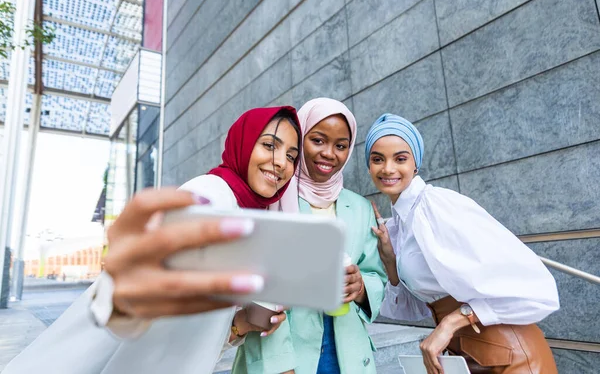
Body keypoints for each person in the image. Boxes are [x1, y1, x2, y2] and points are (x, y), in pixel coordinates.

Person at [4, 106, 302, 374]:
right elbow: (146, 297)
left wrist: (242, 324)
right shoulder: (212, 194)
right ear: (244, 143)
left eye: (290, 156)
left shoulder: (245, 213)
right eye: (269, 146)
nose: (281, 163)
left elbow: (191, 329)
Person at [366, 113, 560, 374]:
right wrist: (390, 262)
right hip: (467, 358)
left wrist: (451, 323)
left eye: (400, 158)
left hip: (512, 357)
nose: (388, 168)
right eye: (378, 159)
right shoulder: (399, 225)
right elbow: (413, 309)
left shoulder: (437, 207)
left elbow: (538, 292)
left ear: (415, 164)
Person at [233, 98, 387, 374]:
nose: (329, 153)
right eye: (318, 140)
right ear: (300, 140)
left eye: (340, 146)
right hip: (286, 350)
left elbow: (376, 275)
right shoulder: (273, 197)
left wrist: (361, 286)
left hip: (347, 350)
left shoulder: (360, 207)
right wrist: (280, 363)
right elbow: (263, 292)